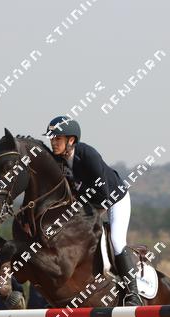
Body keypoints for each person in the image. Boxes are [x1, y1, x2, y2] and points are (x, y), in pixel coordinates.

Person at [45, 115, 142, 306]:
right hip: (88, 203)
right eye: (52, 139)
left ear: (71, 140)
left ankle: (133, 293)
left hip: (114, 199)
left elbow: (103, 195)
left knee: (116, 240)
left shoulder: (88, 155)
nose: (53, 142)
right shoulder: (58, 160)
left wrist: (89, 217)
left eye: (57, 138)